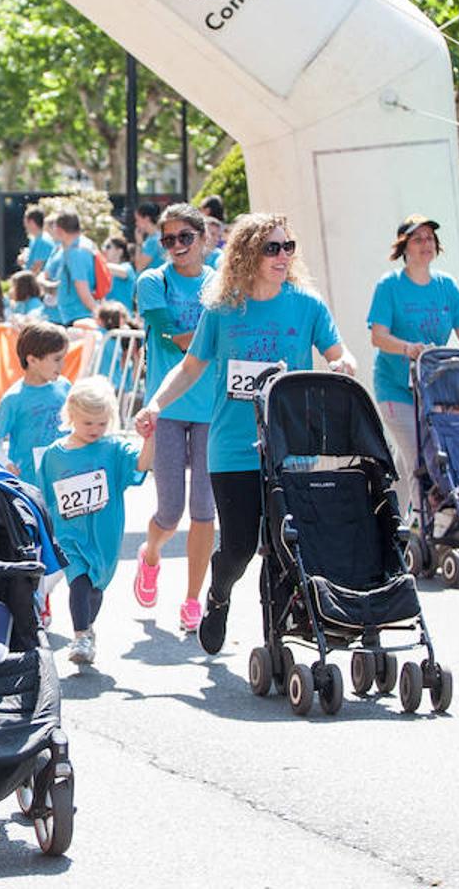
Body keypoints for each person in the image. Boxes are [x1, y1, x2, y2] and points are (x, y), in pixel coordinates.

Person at [134, 213, 357, 656]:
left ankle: (276, 637)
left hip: (292, 447)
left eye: (288, 247)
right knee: (238, 547)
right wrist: (156, 404)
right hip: (233, 446)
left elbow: (338, 349)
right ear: (247, 253)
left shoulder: (307, 304)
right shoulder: (222, 309)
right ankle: (218, 595)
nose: (282, 256)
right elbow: (191, 365)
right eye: (271, 248)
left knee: (284, 546)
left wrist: (343, 362)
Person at [131, 203, 217, 632]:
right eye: (169, 239)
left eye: (186, 237)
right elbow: (174, 335)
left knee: (204, 510)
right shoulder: (153, 281)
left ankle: (192, 600)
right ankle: (150, 554)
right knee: (169, 510)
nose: (178, 246)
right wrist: (212, 339)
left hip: (212, 409)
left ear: (204, 239)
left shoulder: (221, 284)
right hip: (165, 407)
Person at [367, 215, 459, 512]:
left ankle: (392, 529)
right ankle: (428, 529)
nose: (425, 244)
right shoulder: (390, 285)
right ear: (404, 247)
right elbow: (378, 337)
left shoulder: (446, 285)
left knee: (407, 463)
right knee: (421, 457)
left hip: (431, 388)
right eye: (417, 239)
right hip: (395, 388)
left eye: (430, 238)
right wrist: (407, 348)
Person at [38, 378, 153, 665]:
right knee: (79, 579)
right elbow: (44, 496)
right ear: (72, 415)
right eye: (88, 423)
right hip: (69, 535)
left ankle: (87, 629)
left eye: (102, 423)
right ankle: (80, 636)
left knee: (95, 588)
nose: (95, 430)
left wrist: (150, 438)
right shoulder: (54, 455)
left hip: (105, 534)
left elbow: (140, 465)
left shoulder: (113, 448)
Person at [0, 321, 70, 487]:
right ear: (32, 360)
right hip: (30, 483)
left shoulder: (65, 386)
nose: (63, 365)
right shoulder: (13, 399)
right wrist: (6, 463)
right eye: (57, 359)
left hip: (64, 478)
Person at [42, 211, 99, 326]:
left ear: (59, 230)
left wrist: (99, 315)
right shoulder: (73, 247)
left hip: (79, 317)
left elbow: (83, 290)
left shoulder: (76, 252)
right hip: (72, 316)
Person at [102, 236, 136, 311]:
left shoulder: (127, 267)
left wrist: (97, 260)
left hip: (122, 318)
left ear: (119, 251)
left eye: (108, 247)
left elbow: (122, 272)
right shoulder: (106, 269)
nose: (104, 250)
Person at [20, 207, 55, 274]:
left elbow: (36, 269)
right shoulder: (34, 240)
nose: (24, 225)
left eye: (26, 221)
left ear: (32, 222)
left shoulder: (43, 241)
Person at [133, 201, 165, 272]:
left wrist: (139, 243)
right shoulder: (159, 236)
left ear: (147, 219)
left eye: (137, 220)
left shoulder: (153, 241)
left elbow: (139, 267)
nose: (136, 223)